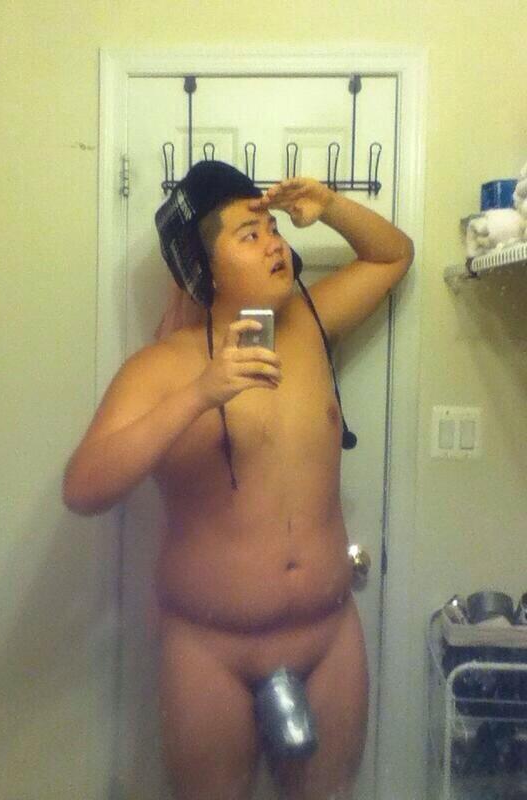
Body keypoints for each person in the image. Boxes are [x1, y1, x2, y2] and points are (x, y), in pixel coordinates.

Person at [63, 160, 414, 800]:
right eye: (249, 234)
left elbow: (394, 255)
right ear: (204, 268)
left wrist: (331, 205)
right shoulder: (162, 367)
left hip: (329, 636)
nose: (275, 243)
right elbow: (84, 489)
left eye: (272, 228)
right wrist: (199, 394)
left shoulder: (310, 321)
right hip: (210, 651)